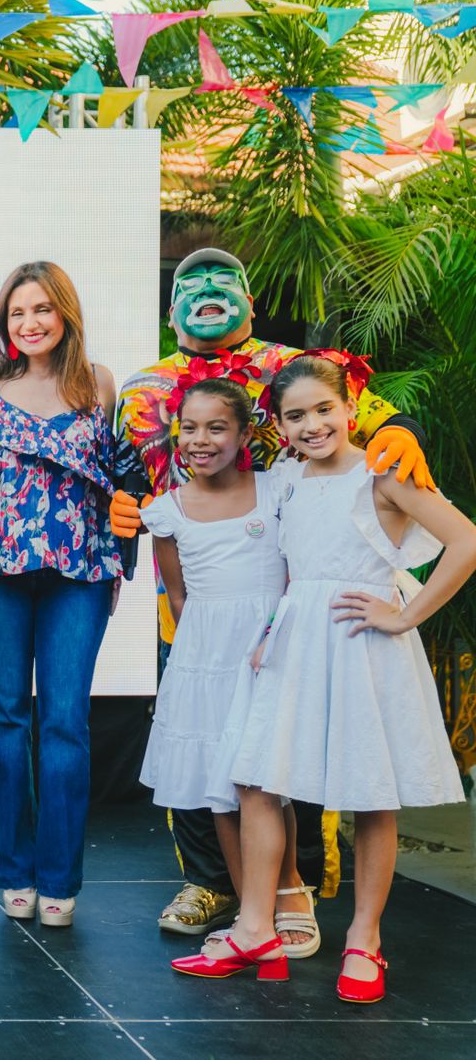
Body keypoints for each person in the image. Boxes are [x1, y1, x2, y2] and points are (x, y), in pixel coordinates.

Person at [110, 247, 435, 937]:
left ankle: (297, 884)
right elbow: (125, 474)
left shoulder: (288, 371)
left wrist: (403, 429)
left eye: (222, 280)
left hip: (293, 586)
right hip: (201, 585)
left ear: (252, 303)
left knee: (289, 741)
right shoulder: (140, 388)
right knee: (202, 744)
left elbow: (374, 420)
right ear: (170, 312)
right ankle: (211, 884)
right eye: (188, 282)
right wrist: (123, 506)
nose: (205, 289)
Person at [172, 354, 476, 1001]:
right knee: (256, 777)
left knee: (370, 792)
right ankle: (256, 928)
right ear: (278, 426)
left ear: (350, 408)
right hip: (296, 637)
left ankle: (365, 939)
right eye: (295, 416)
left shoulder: (382, 472)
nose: (312, 425)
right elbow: (287, 560)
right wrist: (269, 629)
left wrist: (405, 615)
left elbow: (466, 540)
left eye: (323, 409)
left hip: (362, 641)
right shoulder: (286, 477)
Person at [0, 261, 120, 929]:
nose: (30, 323)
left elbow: (116, 483)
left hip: (79, 573)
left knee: (64, 725)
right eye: (18, 312)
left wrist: (119, 563)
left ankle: (59, 880)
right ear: (5, 321)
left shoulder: (98, 384)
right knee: (3, 724)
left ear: (65, 315)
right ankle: (15, 873)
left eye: (42, 310)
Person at [140, 378, 317, 959]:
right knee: (221, 789)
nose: (200, 439)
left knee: (269, 783)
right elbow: (179, 596)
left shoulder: (277, 491)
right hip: (205, 659)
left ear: (245, 434)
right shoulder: (166, 511)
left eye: (217, 427)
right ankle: (251, 913)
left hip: (267, 653)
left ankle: (291, 889)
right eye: (189, 427)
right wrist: (203, 652)